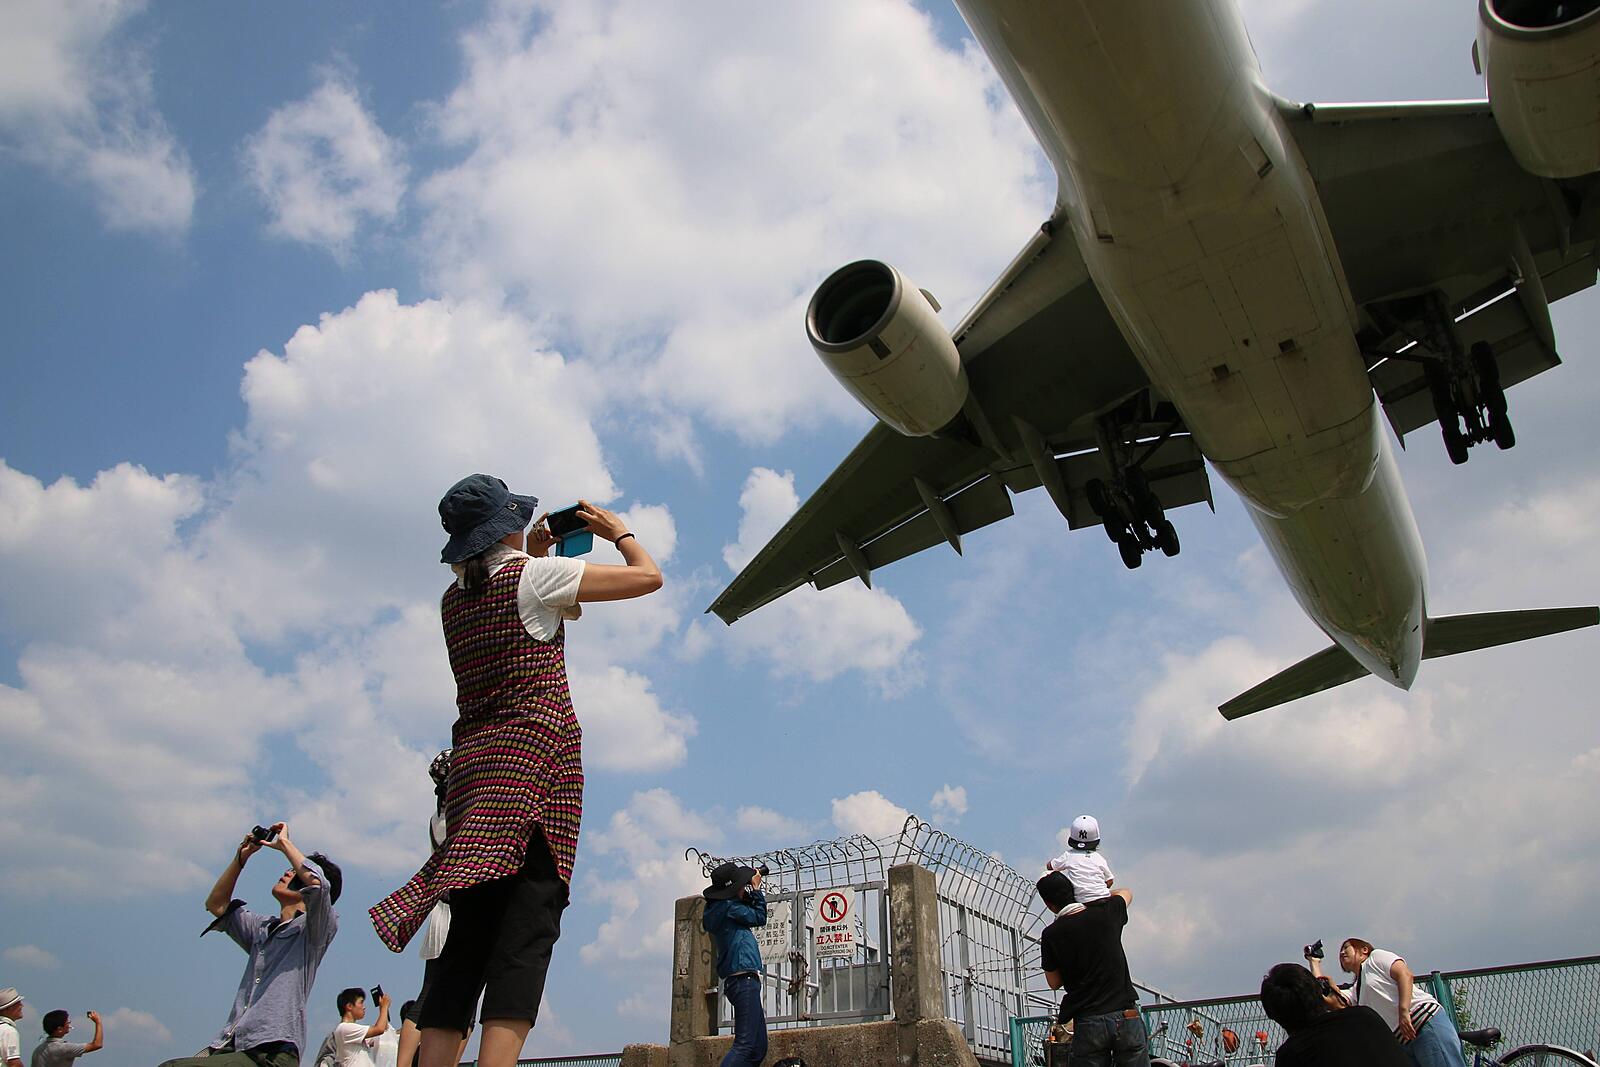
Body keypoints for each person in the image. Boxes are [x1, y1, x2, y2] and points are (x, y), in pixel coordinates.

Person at [370, 477, 663, 1067]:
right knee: (526, 927)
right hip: (535, 772)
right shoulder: (531, 577)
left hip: (475, 779)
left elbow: (533, 602)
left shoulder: (454, 598)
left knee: (468, 934)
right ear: (506, 524)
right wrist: (618, 532)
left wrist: (535, 550)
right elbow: (647, 577)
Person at [158, 823, 341, 1067]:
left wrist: (284, 844)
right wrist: (241, 859)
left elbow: (320, 885)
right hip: (235, 1044)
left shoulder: (314, 931)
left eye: (294, 872)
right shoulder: (262, 928)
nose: (286, 874)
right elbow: (217, 906)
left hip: (272, 1052)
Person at [1035, 873, 1149, 1067]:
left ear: (1049, 904)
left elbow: (1054, 982)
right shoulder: (1106, 912)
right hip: (1125, 1014)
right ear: (1074, 892)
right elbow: (1126, 892)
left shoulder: (1051, 934)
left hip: (1089, 1021)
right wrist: (1092, 897)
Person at [1309, 939, 1466, 1067]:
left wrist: (1403, 1012)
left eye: (1346, 947)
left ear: (1364, 950)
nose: (1342, 953)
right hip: (1403, 1040)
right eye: (1340, 952)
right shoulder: (1357, 989)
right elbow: (1333, 1000)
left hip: (1422, 1023)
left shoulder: (1376, 958)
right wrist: (1314, 963)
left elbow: (1404, 974)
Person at [1260, 963, 1407, 1066]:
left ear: (1273, 1015)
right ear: (1319, 992)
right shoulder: (1366, 1017)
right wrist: (1340, 1006)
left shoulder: (1291, 1055)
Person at [701, 863, 768, 1067]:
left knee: (758, 1047)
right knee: (746, 1045)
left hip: (739, 979)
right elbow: (759, 916)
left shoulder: (720, 908)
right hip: (743, 979)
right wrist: (756, 890)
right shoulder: (729, 907)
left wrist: (744, 891)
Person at [1045, 815, 1114, 906]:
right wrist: (1097, 892)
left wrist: (1050, 862)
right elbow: (1110, 880)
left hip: (1080, 901)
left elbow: (1050, 866)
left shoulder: (1069, 855)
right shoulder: (1099, 858)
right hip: (1102, 899)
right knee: (1124, 892)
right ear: (1096, 841)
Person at [332, 989, 390, 1067]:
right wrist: (384, 1007)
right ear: (349, 1006)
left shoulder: (353, 1031)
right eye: (361, 1003)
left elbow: (383, 1029)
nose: (364, 1007)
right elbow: (379, 1029)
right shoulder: (344, 1028)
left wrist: (383, 1008)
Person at [30, 1011, 103, 1067]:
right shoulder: (64, 1048)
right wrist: (98, 1022)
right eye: (67, 1022)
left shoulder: (37, 1050)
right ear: (60, 1029)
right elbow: (97, 1044)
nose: (69, 1024)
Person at [1, 990, 26, 1067]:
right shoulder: (9, 1031)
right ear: (9, 1008)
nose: (22, 1006)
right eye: (18, 1004)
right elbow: (14, 1063)